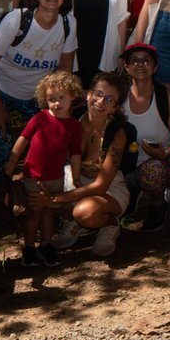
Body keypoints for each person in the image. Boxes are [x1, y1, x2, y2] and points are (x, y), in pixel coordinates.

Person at [0, 0, 78, 220]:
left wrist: (62, 109)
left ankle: (40, 197)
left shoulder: (68, 24)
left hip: (34, 92)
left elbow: (64, 68)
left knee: (51, 140)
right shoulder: (17, 21)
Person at [3, 70, 84, 267]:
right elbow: (23, 139)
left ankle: (46, 246)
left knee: (49, 212)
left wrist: (76, 177)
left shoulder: (74, 126)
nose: (56, 103)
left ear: (72, 96)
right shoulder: (40, 118)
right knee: (34, 212)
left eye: (61, 98)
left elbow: (74, 153)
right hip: (33, 176)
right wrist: (11, 164)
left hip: (55, 177)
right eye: (51, 99)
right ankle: (29, 248)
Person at [48, 72, 134, 257]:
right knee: (34, 192)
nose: (101, 102)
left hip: (107, 188)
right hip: (73, 178)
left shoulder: (117, 133)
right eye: (98, 94)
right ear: (88, 94)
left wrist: (58, 198)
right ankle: (74, 224)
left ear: (115, 107)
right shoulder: (70, 117)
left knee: (84, 212)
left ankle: (108, 224)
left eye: (109, 99)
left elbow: (100, 185)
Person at [119, 43, 170, 232]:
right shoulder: (119, 96)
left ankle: (158, 205)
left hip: (160, 166)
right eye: (133, 60)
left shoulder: (166, 96)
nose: (140, 65)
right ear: (126, 66)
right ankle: (131, 196)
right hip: (124, 169)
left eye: (146, 60)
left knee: (152, 171)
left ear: (155, 66)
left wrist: (164, 153)